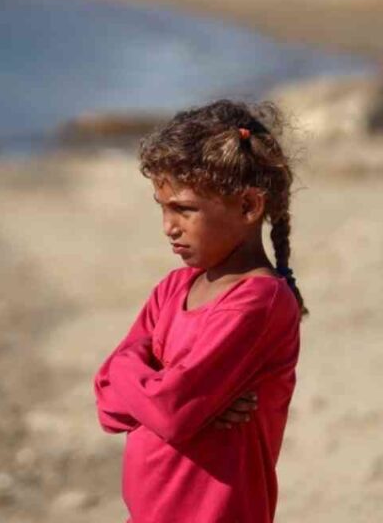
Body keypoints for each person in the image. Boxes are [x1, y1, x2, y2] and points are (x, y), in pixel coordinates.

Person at [93, 100, 305, 523]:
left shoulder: (259, 302)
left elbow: (170, 412)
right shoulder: (173, 289)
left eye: (184, 209)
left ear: (248, 207)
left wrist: (147, 382)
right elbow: (106, 402)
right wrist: (183, 399)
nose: (168, 227)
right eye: (162, 207)